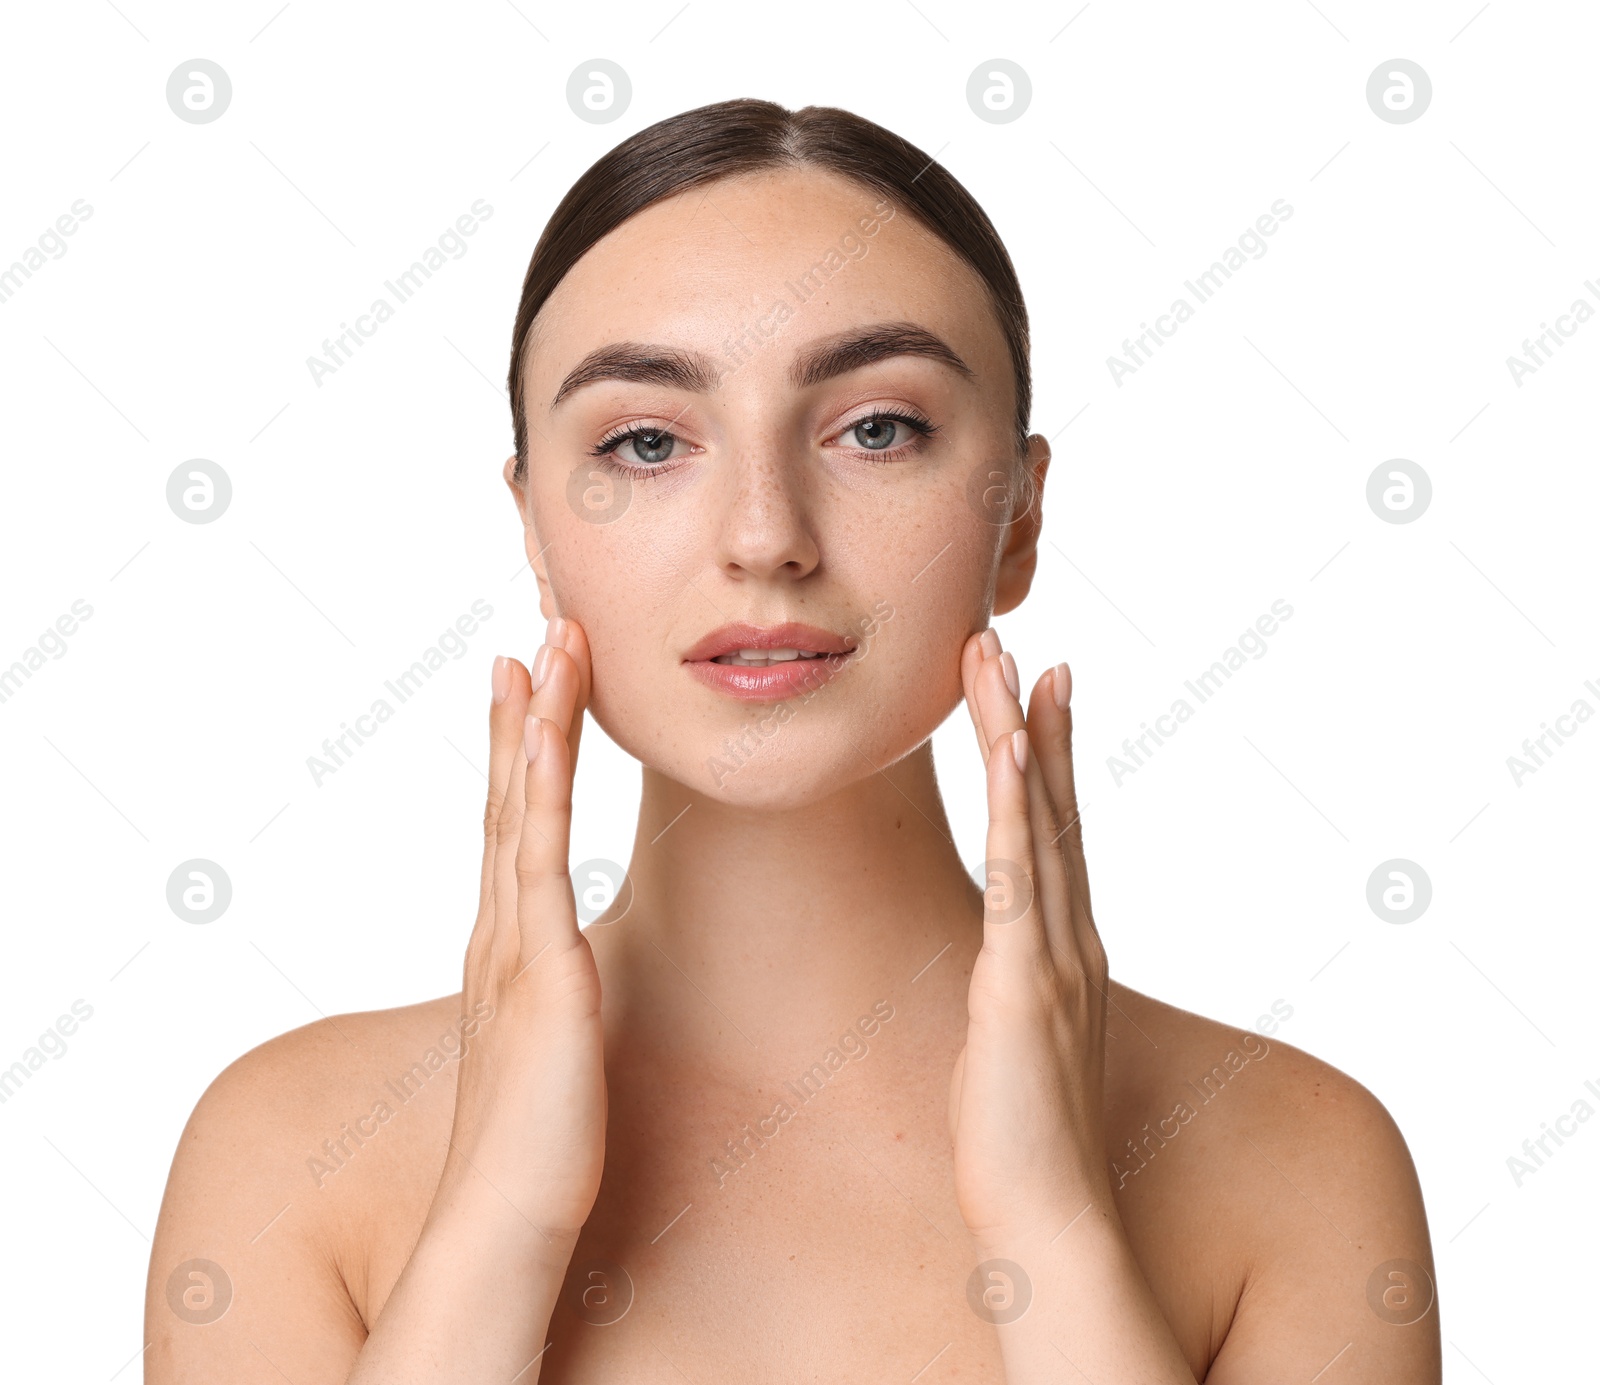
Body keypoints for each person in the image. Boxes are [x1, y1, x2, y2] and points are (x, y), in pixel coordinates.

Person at [145, 98, 1439, 1383]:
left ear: (1023, 514)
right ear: (536, 530)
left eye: (878, 427)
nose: (765, 534)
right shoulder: (287, 1152)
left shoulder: (1299, 1160)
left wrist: (1059, 1233)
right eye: (646, 441)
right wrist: (497, 1221)